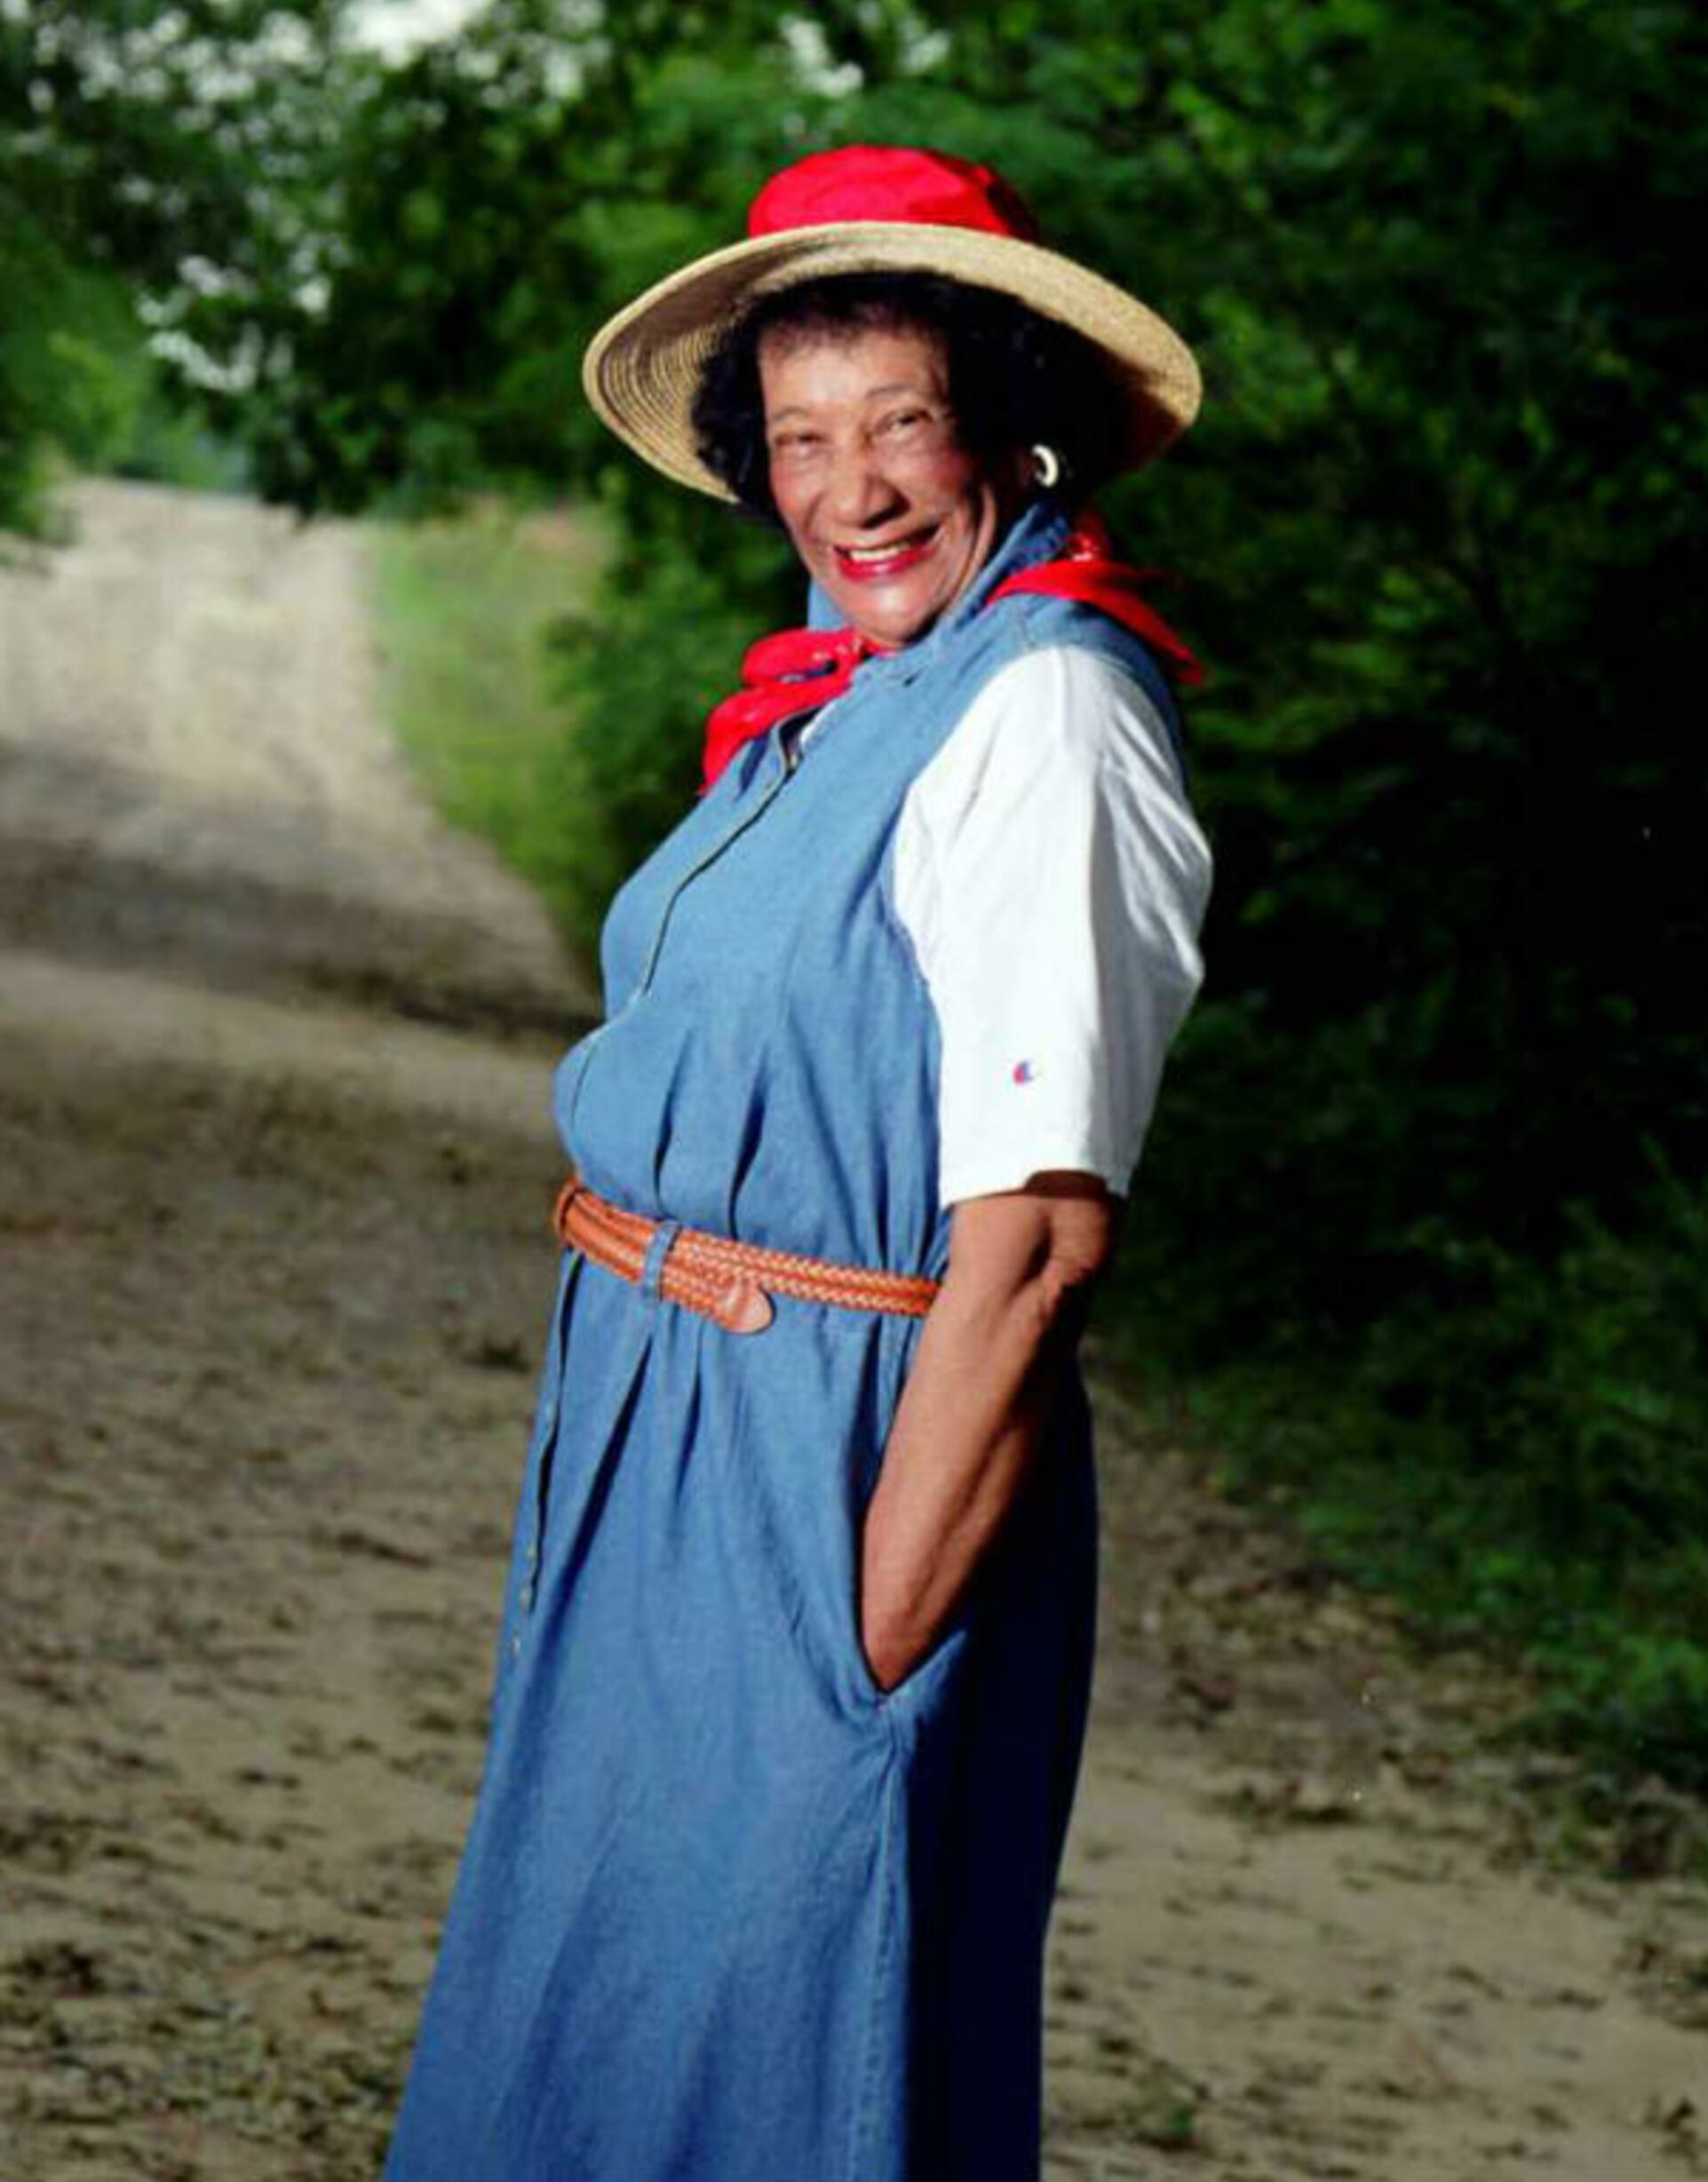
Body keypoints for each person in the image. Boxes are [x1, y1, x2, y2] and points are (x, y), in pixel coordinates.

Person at [379, 145, 1215, 2182]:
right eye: (803, 440)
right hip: (668, 1440)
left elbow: (1027, 1248)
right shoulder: (836, 711)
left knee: (782, 2045)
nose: (855, 490)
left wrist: (857, 1666)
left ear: (1001, 429)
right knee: (600, 2021)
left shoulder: (1049, 718)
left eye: (902, 425)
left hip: (835, 1465)